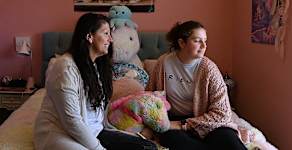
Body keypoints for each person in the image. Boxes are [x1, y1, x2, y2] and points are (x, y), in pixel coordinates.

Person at [34, 13, 156, 150]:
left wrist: (117, 134)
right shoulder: (65, 68)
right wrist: (99, 148)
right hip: (61, 133)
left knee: (148, 147)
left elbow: (98, 113)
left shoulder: (95, 66)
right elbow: (72, 121)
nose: (110, 39)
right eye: (105, 33)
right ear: (89, 36)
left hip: (93, 132)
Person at [147, 21, 247, 150]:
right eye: (197, 41)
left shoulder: (209, 69)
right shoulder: (163, 63)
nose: (204, 45)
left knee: (230, 141)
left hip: (206, 120)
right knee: (173, 139)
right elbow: (149, 97)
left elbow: (223, 114)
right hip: (173, 120)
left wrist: (184, 124)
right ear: (182, 43)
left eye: (205, 41)